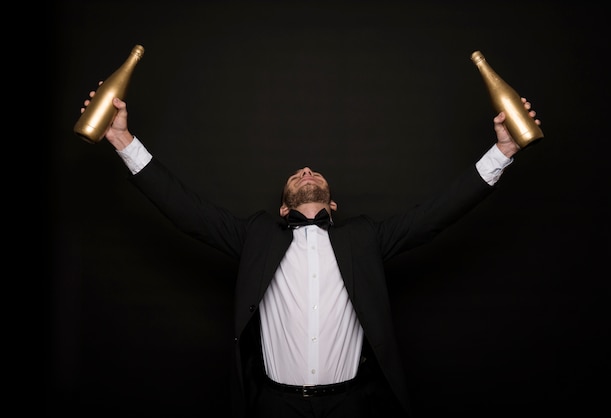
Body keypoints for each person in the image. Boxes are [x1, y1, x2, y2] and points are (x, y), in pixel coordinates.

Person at [79, 84, 541, 418]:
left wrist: (502, 151)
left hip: (354, 405)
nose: (305, 169)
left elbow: (438, 212)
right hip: (274, 406)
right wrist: (121, 139)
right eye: (297, 174)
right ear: (283, 205)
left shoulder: (364, 237)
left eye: (314, 173)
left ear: (332, 203)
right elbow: (184, 208)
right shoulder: (256, 235)